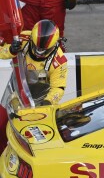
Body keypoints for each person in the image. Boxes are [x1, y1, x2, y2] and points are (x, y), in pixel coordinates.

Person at [0, 20, 68, 153]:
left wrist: (48, 101)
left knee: (29, 141)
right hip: (13, 94)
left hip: (37, 104)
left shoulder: (59, 61)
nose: (38, 52)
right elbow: (2, 51)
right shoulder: (21, 39)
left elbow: (58, 88)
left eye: (43, 49)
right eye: (36, 46)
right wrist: (10, 50)